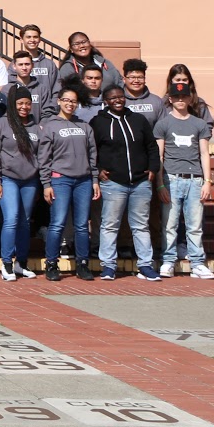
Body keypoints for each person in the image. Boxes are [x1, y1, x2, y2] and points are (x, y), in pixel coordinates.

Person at [91, 84, 161, 281]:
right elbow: (91, 149)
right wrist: (97, 170)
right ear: (106, 101)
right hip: (113, 183)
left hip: (140, 182)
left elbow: (151, 146)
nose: (118, 100)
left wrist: (153, 168)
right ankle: (108, 265)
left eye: (121, 97)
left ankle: (145, 265)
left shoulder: (138, 120)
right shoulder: (98, 122)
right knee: (110, 225)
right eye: (113, 98)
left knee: (140, 225)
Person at [39, 85, 100, 281]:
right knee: (57, 223)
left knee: (81, 225)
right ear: (59, 101)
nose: (70, 104)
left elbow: (92, 155)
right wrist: (46, 184)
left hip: (83, 180)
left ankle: (82, 264)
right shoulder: (50, 126)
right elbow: (44, 158)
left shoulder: (84, 126)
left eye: (73, 101)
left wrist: (95, 179)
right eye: (66, 100)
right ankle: (51, 263)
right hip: (60, 180)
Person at [154, 87, 214, 279]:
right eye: (176, 96)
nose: (180, 99)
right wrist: (160, 184)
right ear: (170, 99)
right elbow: (159, 156)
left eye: (184, 96)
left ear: (190, 99)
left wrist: (207, 181)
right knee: (169, 224)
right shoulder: (163, 124)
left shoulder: (199, 124)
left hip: (195, 180)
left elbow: (204, 153)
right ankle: (168, 261)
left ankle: (197, 263)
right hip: (171, 179)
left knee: (194, 225)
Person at [0, 86, 41, 281]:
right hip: (8, 178)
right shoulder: (2, 124)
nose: (24, 107)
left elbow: (40, 154)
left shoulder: (36, 127)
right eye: (20, 103)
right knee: (11, 219)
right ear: (13, 104)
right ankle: (6, 263)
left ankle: (21, 262)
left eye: (27, 103)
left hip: (30, 180)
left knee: (25, 222)